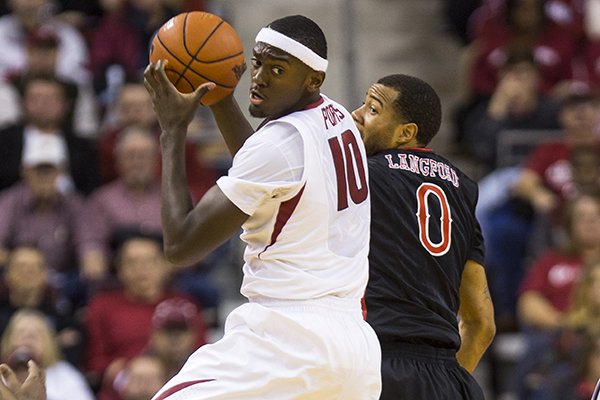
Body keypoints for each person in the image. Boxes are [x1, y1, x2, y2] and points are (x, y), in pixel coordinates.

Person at [144, 14, 381, 399]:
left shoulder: (279, 146)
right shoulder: (337, 117)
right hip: (354, 346)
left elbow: (180, 246)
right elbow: (265, 168)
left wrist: (172, 132)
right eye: (256, 62)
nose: (259, 78)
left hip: (286, 340)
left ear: (312, 80)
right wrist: (221, 99)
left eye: (277, 69)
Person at [351, 74, 496, 399]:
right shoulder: (463, 189)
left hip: (375, 361)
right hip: (444, 378)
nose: (356, 113)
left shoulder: (363, 176)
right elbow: (482, 324)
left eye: (372, 109)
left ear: (406, 133)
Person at [84, 232, 204, 389]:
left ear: (165, 265)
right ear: (119, 268)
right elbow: (94, 361)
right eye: (132, 262)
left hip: (178, 382)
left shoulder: (184, 305)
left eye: (150, 262)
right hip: (124, 387)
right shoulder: (102, 305)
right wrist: (121, 372)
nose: (141, 269)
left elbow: (201, 352)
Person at [0, 309, 94, 400]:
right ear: (8, 340)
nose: (27, 337)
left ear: (49, 343)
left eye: (36, 333)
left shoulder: (67, 376)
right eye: (20, 332)